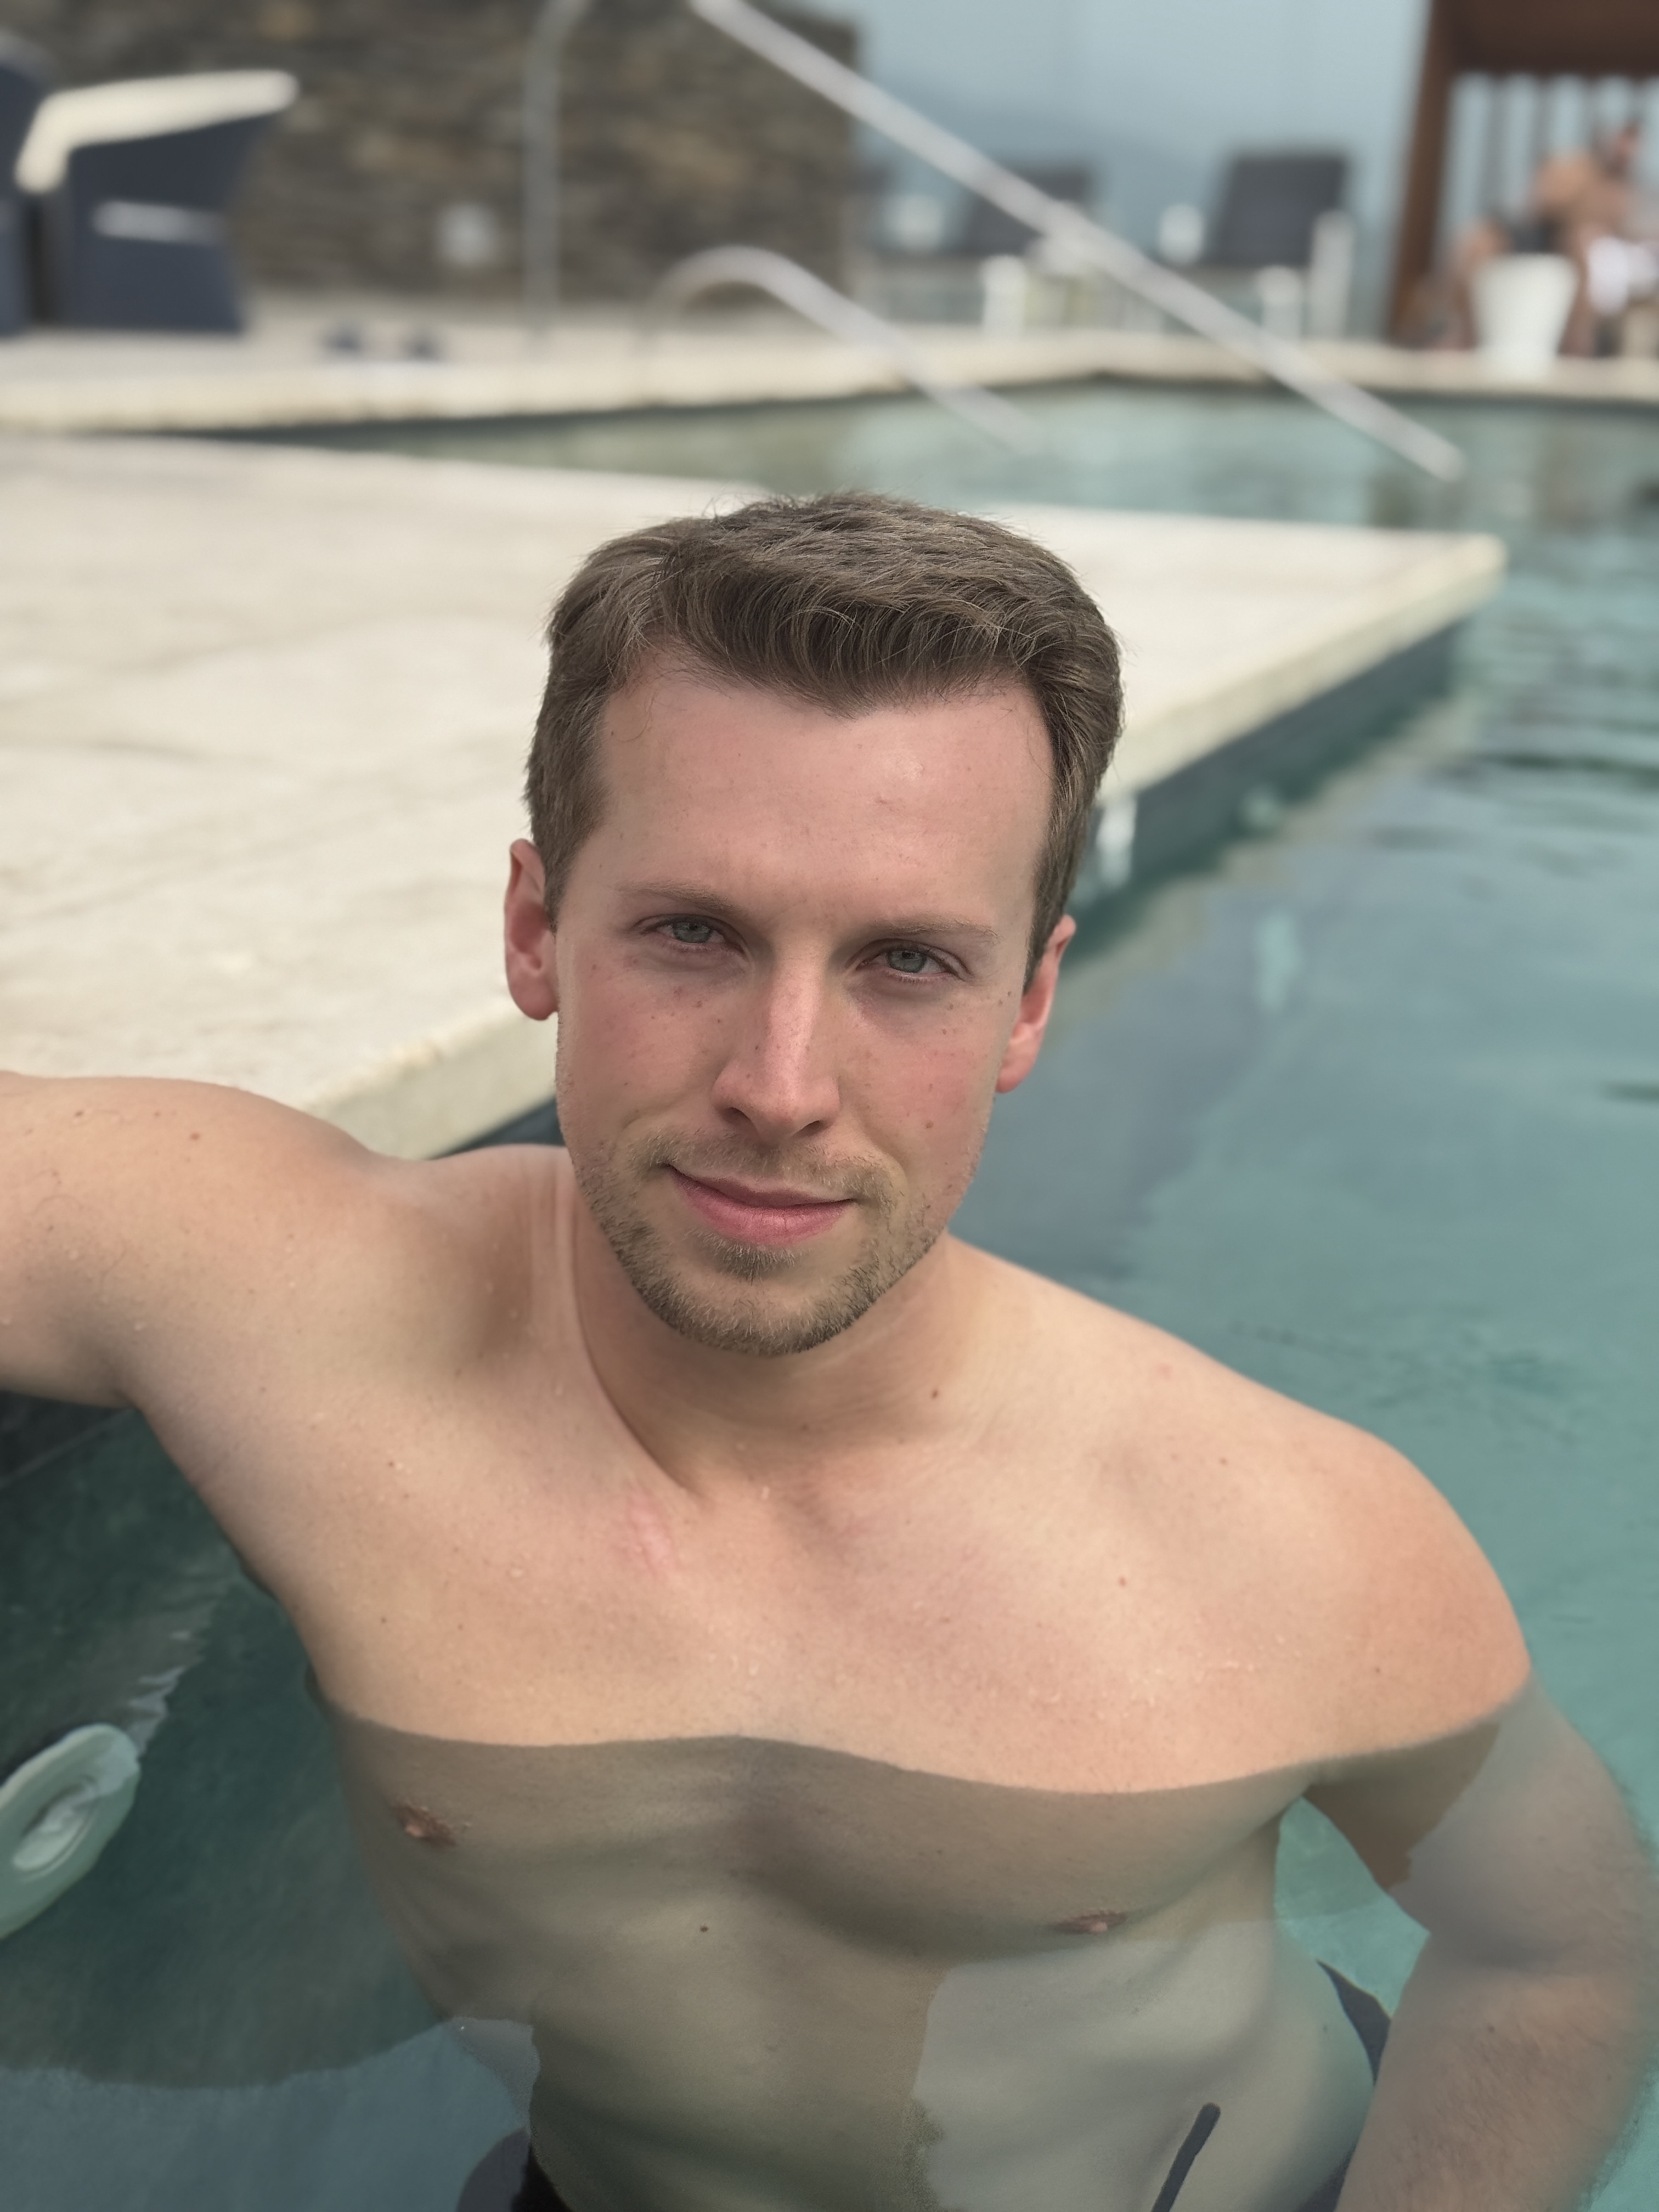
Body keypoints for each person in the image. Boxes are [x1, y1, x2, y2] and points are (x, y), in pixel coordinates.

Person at [1, 493, 1654, 2212]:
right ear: (534, 929)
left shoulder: (1286, 1536)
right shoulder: (296, 1308)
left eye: (908, 963)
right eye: (694, 934)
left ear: (1029, 1001)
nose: (780, 1087)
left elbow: (1559, 1952)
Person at [1443, 120, 1645, 354]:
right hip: (1531, 232)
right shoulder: (1575, 167)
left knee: (1582, 245)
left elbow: (1624, 232)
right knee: (1476, 241)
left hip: (1571, 247)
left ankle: (1576, 342)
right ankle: (1463, 332)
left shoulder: (1626, 193)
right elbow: (1542, 204)